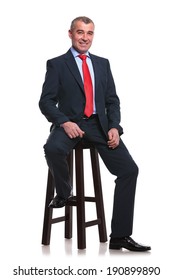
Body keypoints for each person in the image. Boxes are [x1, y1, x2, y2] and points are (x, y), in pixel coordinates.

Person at [39, 16, 151, 252]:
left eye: (89, 33)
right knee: (52, 148)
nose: (85, 38)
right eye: (80, 32)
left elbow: (112, 100)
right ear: (70, 34)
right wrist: (64, 122)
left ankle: (120, 236)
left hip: (99, 126)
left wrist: (114, 127)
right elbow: (46, 102)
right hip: (70, 125)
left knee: (129, 170)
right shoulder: (57, 64)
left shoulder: (102, 64)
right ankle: (64, 192)